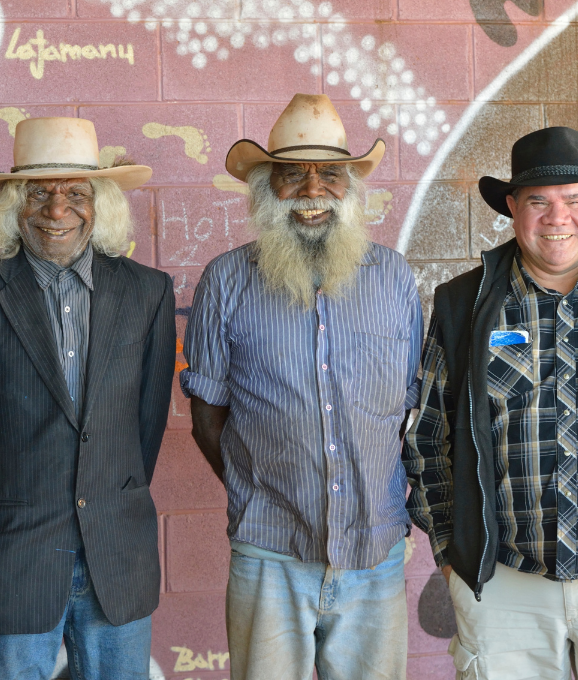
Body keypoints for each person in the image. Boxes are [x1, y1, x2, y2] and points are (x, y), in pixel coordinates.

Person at [0, 117, 175, 680]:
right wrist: (7, 511)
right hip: (10, 558)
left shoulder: (148, 292)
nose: (56, 209)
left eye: (74, 193)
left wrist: (103, 495)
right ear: (14, 203)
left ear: (99, 202)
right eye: (39, 192)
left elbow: (145, 430)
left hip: (118, 554)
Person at [180, 94, 423, 680]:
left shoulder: (393, 277)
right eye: (293, 174)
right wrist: (259, 491)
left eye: (330, 174)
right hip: (270, 553)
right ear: (267, 185)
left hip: (376, 551)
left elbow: (411, 411)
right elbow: (206, 418)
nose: (314, 190)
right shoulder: (226, 279)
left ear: (351, 186)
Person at [403, 126, 578, 678]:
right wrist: (451, 555)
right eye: (538, 201)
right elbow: (428, 437)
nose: (558, 218)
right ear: (512, 207)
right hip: (503, 585)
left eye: (574, 200)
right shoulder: (464, 304)